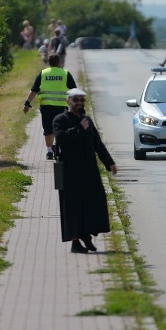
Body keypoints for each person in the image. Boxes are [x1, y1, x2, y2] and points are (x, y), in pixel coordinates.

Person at [53, 88, 117, 253]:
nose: (79, 103)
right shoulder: (60, 119)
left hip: (88, 169)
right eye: (76, 100)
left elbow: (97, 143)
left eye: (82, 100)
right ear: (68, 101)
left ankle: (86, 235)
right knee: (72, 207)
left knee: (92, 202)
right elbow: (62, 138)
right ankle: (75, 242)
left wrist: (109, 163)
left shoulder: (87, 120)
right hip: (69, 171)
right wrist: (80, 128)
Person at [23, 54, 77, 160]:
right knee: (61, 128)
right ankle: (59, 149)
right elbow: (74, 91)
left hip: (46, 107)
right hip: (62, 107)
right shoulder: (65, 74)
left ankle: (49, 152)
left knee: (48, 129)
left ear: (49, 63)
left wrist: (27, 103)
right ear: (59, 63)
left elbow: (34, 90)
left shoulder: (43, 74)